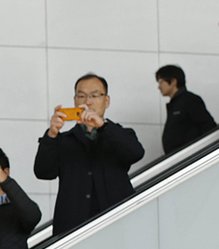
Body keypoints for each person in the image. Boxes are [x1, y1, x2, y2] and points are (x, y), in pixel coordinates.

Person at [34, 73, 145, 235]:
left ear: (106, 101)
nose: (88, 101)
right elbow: (43, 172)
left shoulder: (121, 134)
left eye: (95, 95)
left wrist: (103, 126)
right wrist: (51, 135)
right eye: (81, 96)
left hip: (117, 224)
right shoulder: (63, 140)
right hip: (72, 228)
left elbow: (136, 153)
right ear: (75, 101)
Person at [156, 65, 216, 154]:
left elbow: (208, 128)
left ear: (173, 81)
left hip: (188, 158)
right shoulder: (175, 103)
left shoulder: (190, 100)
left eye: (161, 82)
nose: (159, 87)